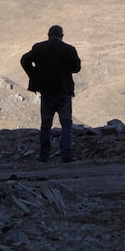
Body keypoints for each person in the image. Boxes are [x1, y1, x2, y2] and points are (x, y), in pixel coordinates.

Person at [20, 25, 81, 163]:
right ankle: (66, 155)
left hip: (47, 92)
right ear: (62, 36)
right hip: (64, 91)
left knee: (46, 124)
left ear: (48, 35)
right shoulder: (69, 49)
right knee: (66, 123)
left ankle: (44, 155)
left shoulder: (38, 48)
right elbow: (76, 68)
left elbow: (24, 60)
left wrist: (34, 75)